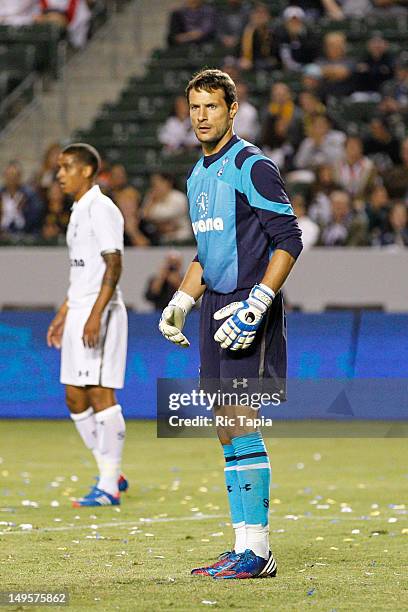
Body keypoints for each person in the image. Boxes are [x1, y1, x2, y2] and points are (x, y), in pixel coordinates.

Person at [159, 69, 303, 579]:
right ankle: (243, 545)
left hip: (247, 305)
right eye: (194, 107)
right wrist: (180, 300)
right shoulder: (198, 175)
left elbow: (289, 239)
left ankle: (259, 552)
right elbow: (206, 252)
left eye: (211, 107)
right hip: (215, 303)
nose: (201, 117)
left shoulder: (252, 165)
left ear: (232, 109)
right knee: (226, 428)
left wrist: (259, 302)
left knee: (241, 420)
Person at [46, 143, 128, 507]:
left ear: (87, 171)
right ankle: (110, 468)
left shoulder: (101, 207)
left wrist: (96, 312)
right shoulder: (79, 210)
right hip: (80, 307)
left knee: (99, 394)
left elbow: (113, 263)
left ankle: (109, 485)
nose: (59, 174)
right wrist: (65, 311)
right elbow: (82, 268)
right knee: (74, 397)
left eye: (66, 167)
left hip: (101, 309)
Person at [142, 172, 192, 245]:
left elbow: (167, 215)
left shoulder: (178, 197)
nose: (155, 187)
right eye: (153, 184)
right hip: (159, 237)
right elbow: (143, 216)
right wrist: (152, 202)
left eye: (158, 183)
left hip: (181, 237)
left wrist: (153, 220)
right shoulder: (151, 197)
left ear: (168, 183)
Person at [0, 161, 44, 238]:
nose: (12, 178)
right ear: (4, 176)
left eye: (14, 175)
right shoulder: (1, 194)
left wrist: (22, 210)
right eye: (9, 175)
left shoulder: (30, 195)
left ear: (19, 177)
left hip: (25, 236)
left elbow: (36, 217)